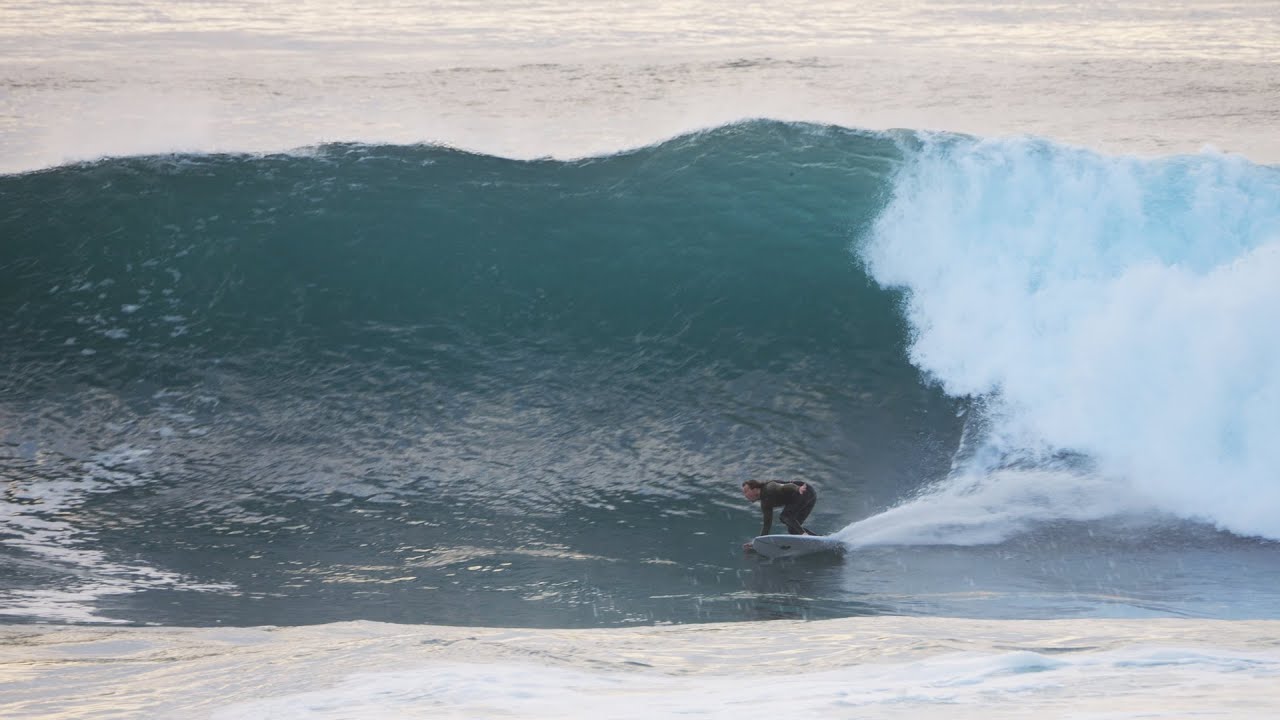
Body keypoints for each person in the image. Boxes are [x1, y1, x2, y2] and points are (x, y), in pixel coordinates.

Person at [741, 479, 819, 549]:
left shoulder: (769, 488)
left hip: (804, 491)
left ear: (755, 489)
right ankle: (820, 540)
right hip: (807, 495)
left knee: (785, 516)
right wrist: (758, 543)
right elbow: (767, 524)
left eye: (746, 491)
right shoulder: (765, 503)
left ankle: (804, 535)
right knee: (793, 529)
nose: (745, 495)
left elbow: (784, 487)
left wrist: (798, 488)